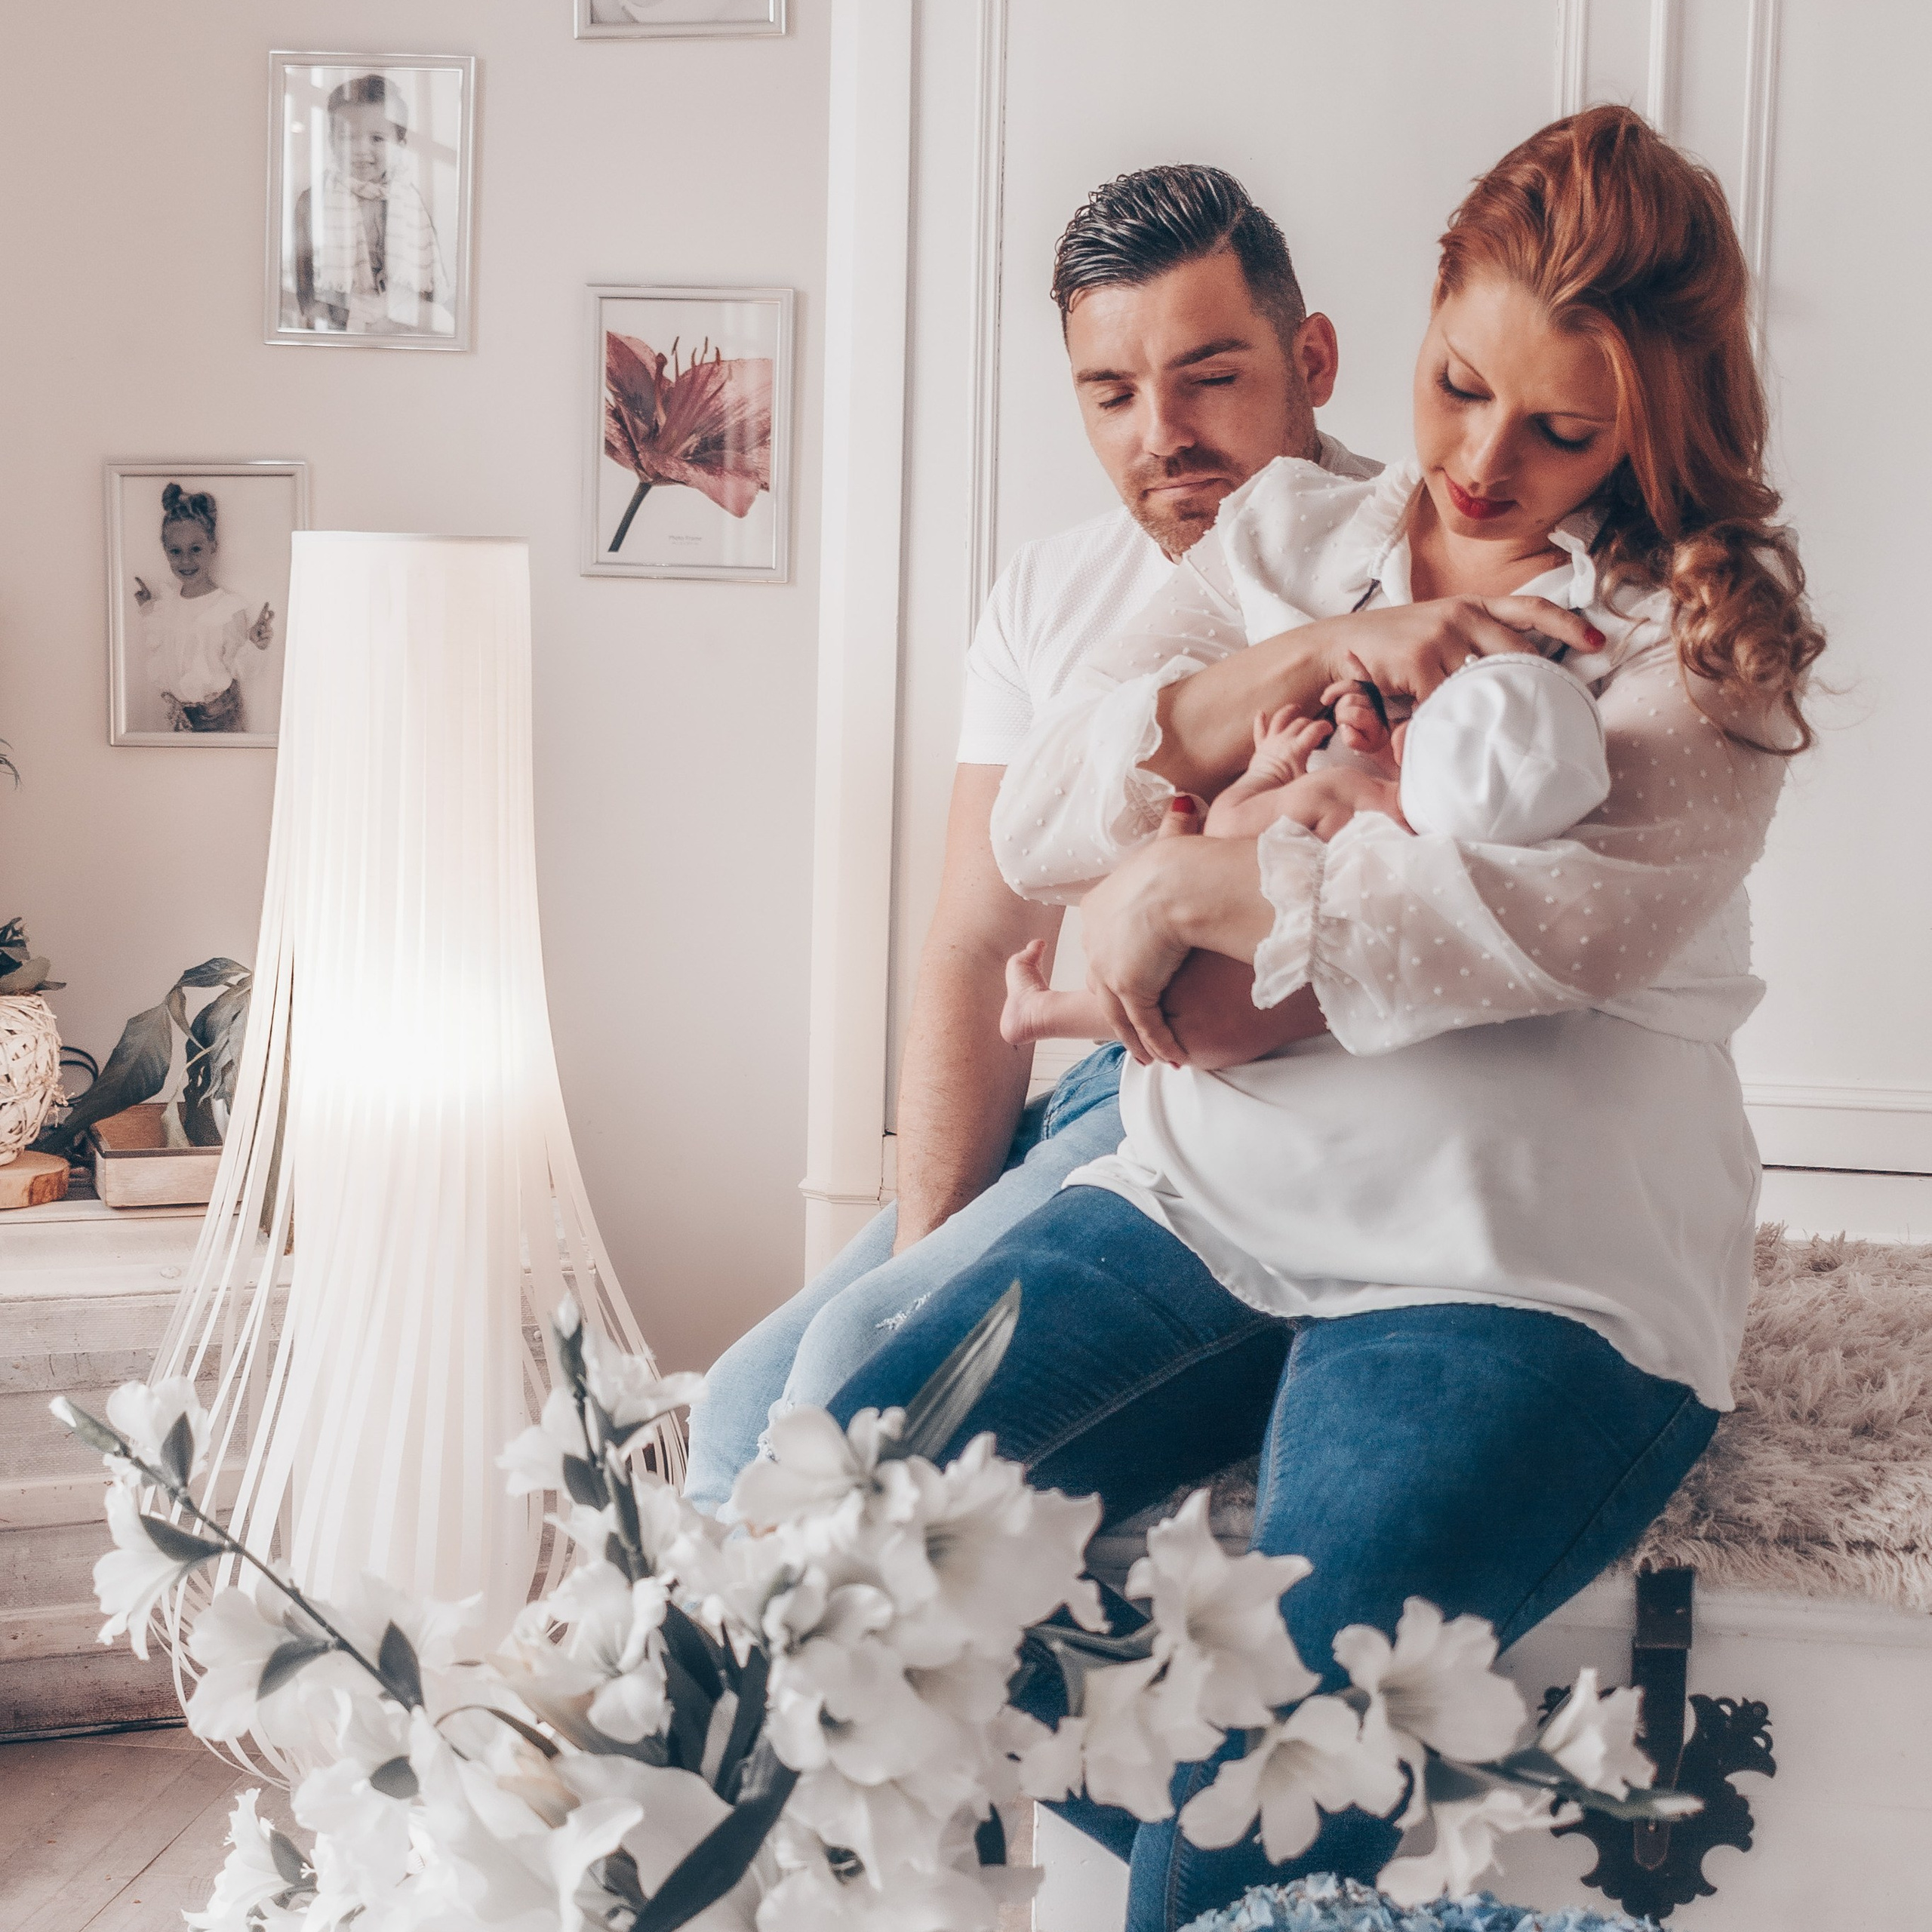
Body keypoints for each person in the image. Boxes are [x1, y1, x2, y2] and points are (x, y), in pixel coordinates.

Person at [829, 106, 1825, 1928]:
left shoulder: (1698, 656)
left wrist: (1180, 885)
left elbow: (1495, 930)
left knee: (1253, 1806)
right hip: (1203, 1198)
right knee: (834, 1512)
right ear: (1420, 320)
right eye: (1457, 389)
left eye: (1558, 428)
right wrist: (1291, 663)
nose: (1478, 463)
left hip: (1514, 1266)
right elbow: (1046, 810)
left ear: (1657, 423)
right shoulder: (1292, 526)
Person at [681, 167, 1380, 1512]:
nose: (1159, 433)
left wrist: (900, 1330)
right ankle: (715, 1717)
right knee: (743, 1403)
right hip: (1100, 1088)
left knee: (849, 1384)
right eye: (1110, 394)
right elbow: (978, 937)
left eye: (1210, 376)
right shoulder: (1051, 597)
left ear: (1315, 359)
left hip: (1263, 1102)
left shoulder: (1402, 555)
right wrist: (920, 1268)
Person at [1000, 651, 1611, 1055]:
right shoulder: (1464, 870)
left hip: (1196, 990)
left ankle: (1042, 1012)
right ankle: (1045, 1014)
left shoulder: (1343, 792)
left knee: (1142, 995)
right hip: (1268, 1026)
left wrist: (1270, 768)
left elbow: (1230, 830)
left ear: (1411, 736)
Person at [292, 75, 450, 336]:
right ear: (331, 141)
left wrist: (395, 314)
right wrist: (352, 316)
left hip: (402, 326)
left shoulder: (412, 206)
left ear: (400, 146)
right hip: (339, 325)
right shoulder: (312, 203)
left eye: (377, 139)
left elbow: (428, 289)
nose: (361, 150)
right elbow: (306, 295)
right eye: (348, 138)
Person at [134, 484, 275, 734]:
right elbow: (163, 637)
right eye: (176, 551)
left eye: (196, 549)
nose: (185, 560)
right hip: (179, 716)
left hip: (219, 718)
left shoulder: (226, 608)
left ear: (213, 546)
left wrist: (255, 645)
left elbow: (238, 669)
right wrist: (147, 605)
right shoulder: (167, 605)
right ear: (165, 551)